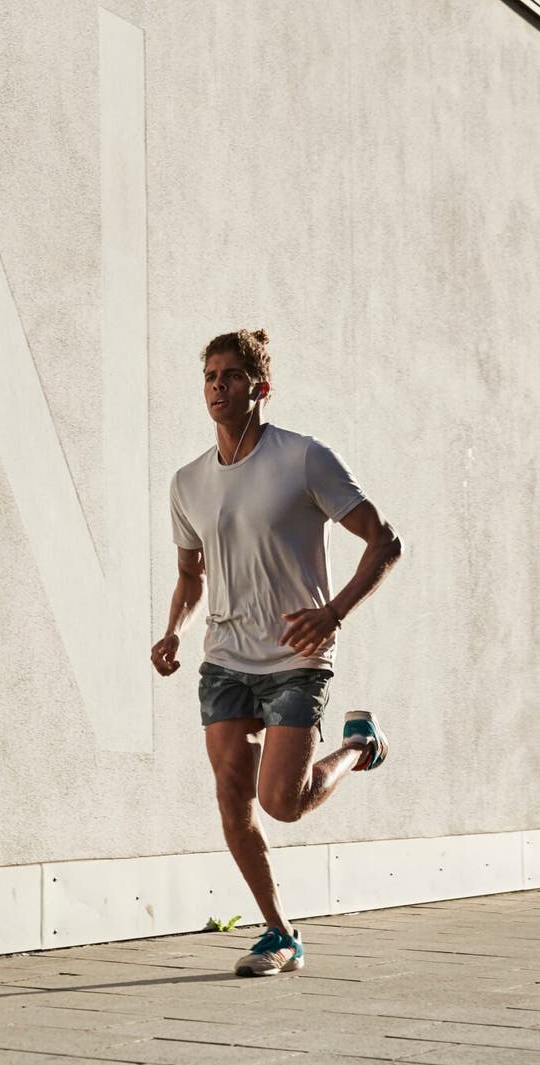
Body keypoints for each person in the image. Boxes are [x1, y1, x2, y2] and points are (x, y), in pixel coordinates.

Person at [151, 330, 403, 976]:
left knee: (281, 804)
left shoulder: (304, 460)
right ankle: (279, 932)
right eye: (209, 376)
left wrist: (333, 612)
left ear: (259, 387)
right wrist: (174, 628)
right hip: (225, 660)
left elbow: (383, 542)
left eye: (231, 376)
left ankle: (358, 747)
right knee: (232, 795)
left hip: (296, 656)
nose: (217, 387)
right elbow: (191, 573)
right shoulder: (187, 483)